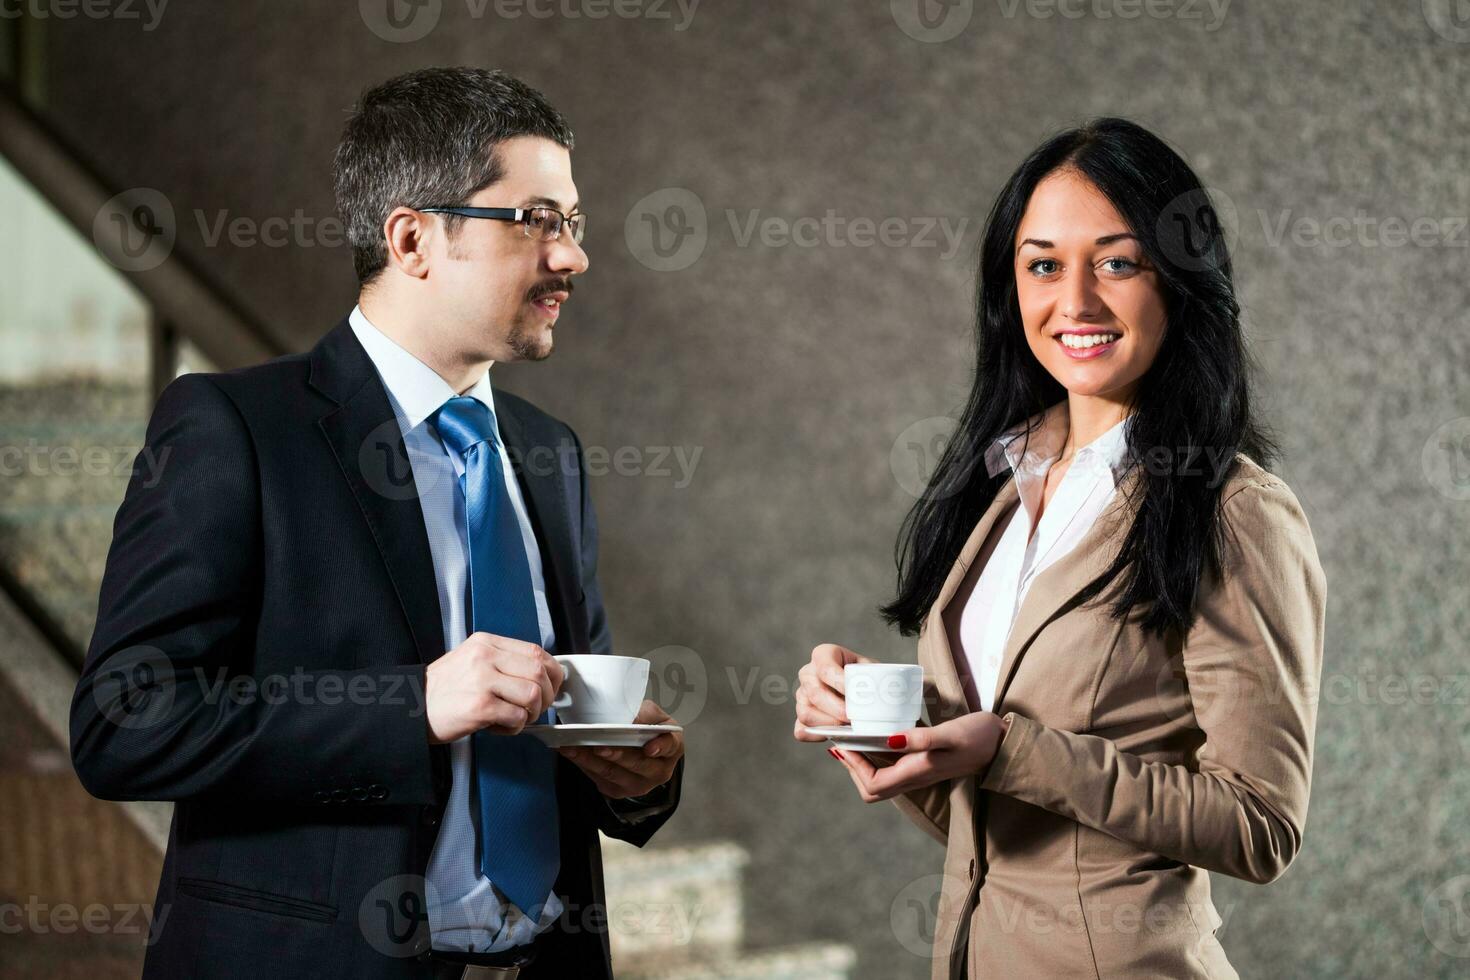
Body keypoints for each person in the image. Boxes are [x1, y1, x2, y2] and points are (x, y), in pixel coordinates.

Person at [70, 66, 683, 980]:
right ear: (412, 238)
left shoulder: (548, 451)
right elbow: (125, 721)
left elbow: (564, 717)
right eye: (537, 220)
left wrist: (636, 773)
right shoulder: (235, 429)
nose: (573, 256)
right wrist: (412, 708)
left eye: (574, 222)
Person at [794, 117, 1326, 979]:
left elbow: (1260, 826)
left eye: (1117, 263)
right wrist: (894, 741)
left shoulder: (1234, 510)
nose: (1074, 302)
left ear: (1180, 283)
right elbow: (1003, 834)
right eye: (1044, 265)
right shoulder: (1002, 486)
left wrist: (1005, 746)